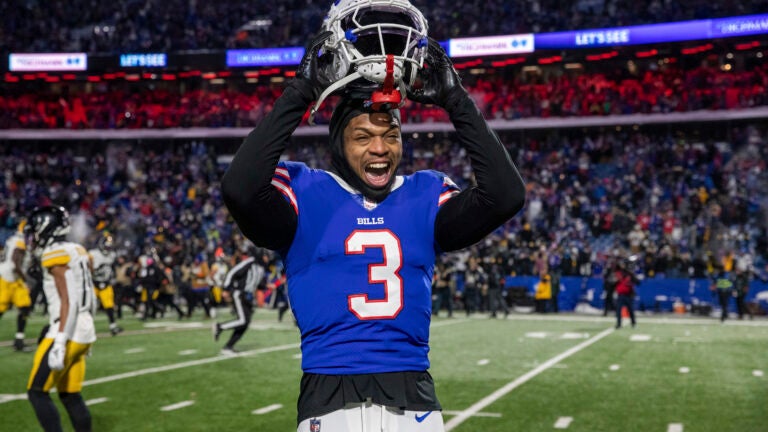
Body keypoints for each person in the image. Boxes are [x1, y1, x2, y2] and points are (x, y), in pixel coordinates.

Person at [221, 26, 525, 432]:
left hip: (413, 397)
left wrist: (457, 100)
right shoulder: (304, 191)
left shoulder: (425, 193)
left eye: (391, 135)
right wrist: (301, 92)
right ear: (338, 143)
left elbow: (505, 195)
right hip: (328, 400)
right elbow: (239, 188)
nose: (380, 148)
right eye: (363, 136)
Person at [24, 206, 96, 432]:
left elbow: (70, 300)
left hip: (66, 328)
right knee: (70, 394)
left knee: (36, 392)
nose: (33, 236)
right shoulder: (78, 249)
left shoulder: (54, 254)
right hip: (84, 329)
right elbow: (89, 294)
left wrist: (61, 341)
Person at [213, 252, 263, 354]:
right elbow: (233, 272)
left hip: (248, 298)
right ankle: (220, 326)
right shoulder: (250, 262)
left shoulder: (261, 267)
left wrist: (267, 286)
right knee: (243, 320)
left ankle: (228, 347)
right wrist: (226, 289)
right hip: (240, 294)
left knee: (245, 323)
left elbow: (256, 283)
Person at [0, 220, 33, 351]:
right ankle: (18, 341)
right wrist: (26, 279)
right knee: (4, 310)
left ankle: (19, 340)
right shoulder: (21, 241)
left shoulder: (13, 239)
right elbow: (16, 261)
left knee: (24, 307)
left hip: (9, 276)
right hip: (9, 278)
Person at [88, 234, 123, 335]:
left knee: (109, 305)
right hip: (93, 283)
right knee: (90, 306)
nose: (107, 248)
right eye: (106, 246)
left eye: (109, 246)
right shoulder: (92, 254)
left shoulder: (112, 255)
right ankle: (86, 328)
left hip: (105, 283)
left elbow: (113, 267)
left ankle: (113, 326)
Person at [614, 259, 638, 328]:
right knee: (618, 310)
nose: (622, 266)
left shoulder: (629, 273)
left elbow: (637, 282)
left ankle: (633, 323)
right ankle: (619, 324)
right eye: (621, 264)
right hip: (620, 294)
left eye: (623, 264)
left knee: (630, 310)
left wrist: (631, 278)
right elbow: (613, 283)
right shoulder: (618, 273)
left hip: (628, 294)